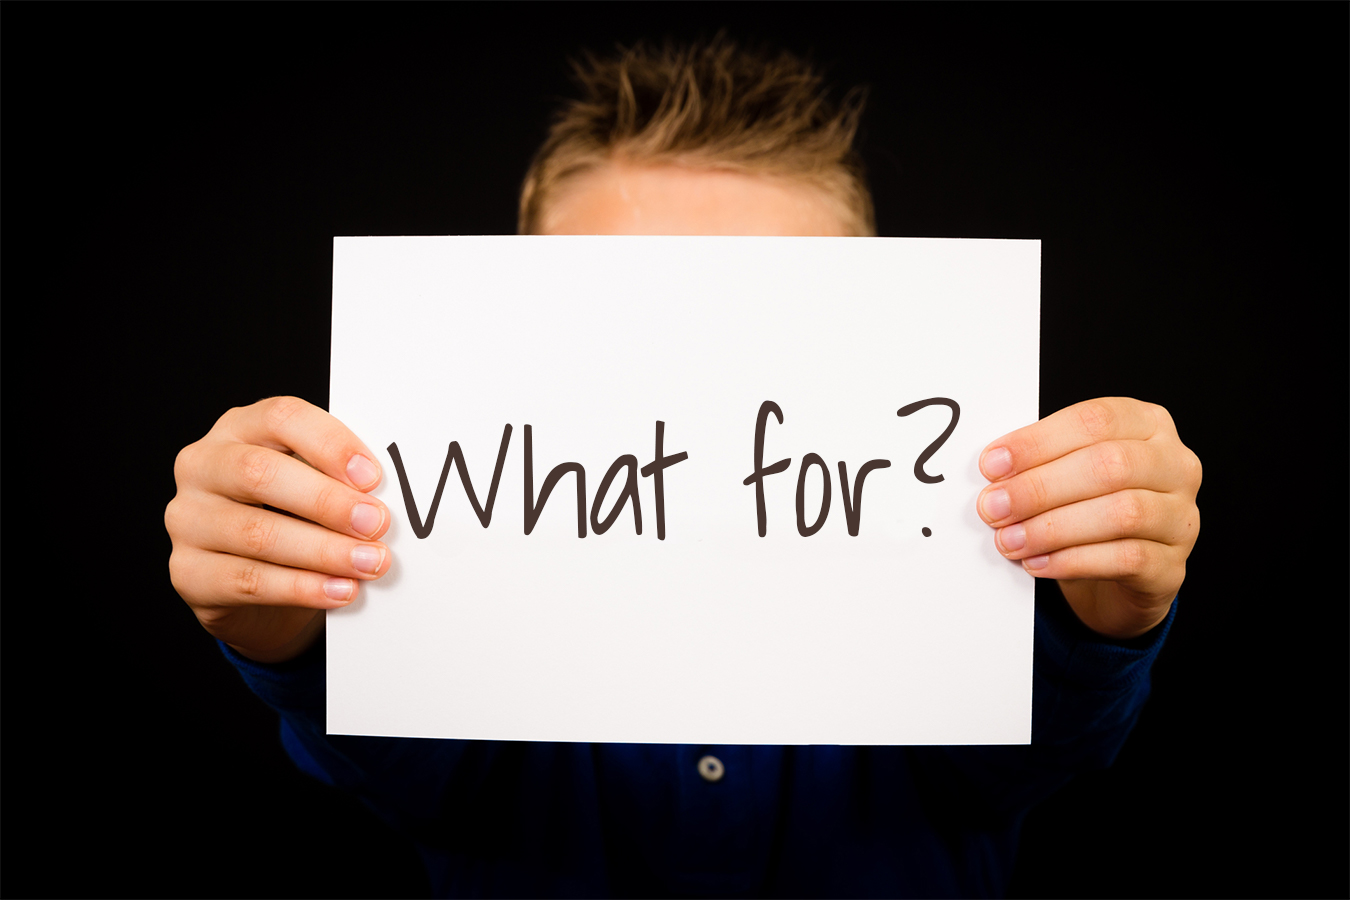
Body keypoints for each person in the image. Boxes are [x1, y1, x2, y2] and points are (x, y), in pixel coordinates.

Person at [165, 37, 1201, 896]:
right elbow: (401, 763)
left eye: (766, 315)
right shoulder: (471, 578)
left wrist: (1100, 605)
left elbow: (1038, 747)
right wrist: (291, 622)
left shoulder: (945, 570)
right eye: (626, 312)